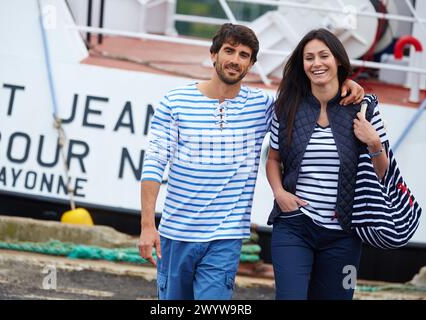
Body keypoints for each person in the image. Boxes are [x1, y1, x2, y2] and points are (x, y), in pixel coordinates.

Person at [139, 23, 364, 300]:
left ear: (251, 64)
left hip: (226, 237)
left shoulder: (264, 106)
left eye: (244, 55)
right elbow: (154, 163)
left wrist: (344, 82)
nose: (235, 60)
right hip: (176, 234)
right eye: (229, 51)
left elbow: (307, 100)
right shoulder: (174, 102)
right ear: (213, 55)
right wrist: (148, 226)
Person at [266, 28, 389, 300]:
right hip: (294, 225)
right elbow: (273, 158)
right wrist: (279, 193)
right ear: (302, 64)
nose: (316, 63)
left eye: (324, 55)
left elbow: (383, 171)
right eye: (309, 57)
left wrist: (374, 142)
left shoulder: (364, 106)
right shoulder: (287, 106)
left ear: (339, 61)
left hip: (345, 234)